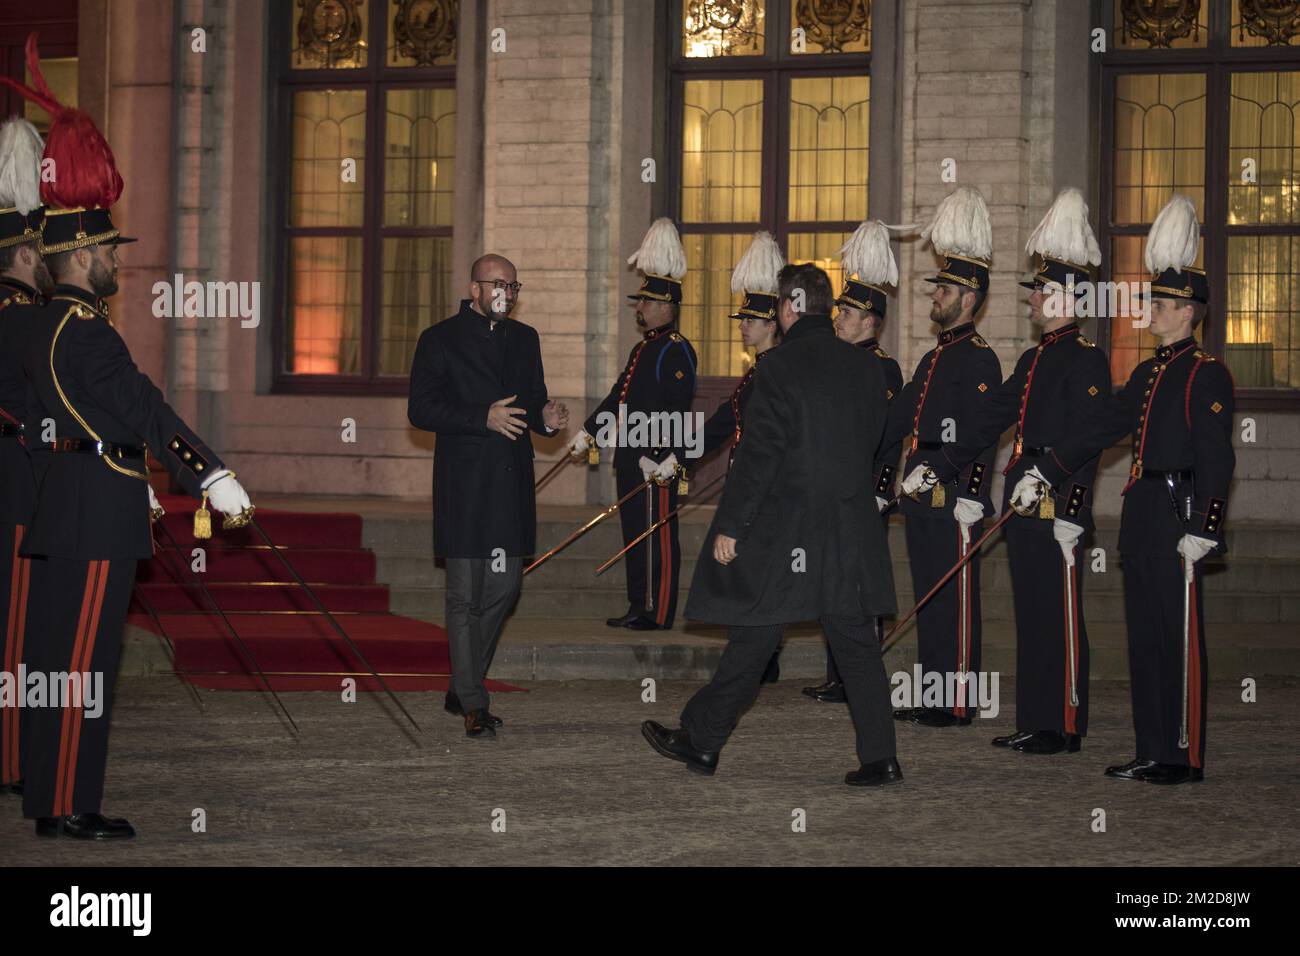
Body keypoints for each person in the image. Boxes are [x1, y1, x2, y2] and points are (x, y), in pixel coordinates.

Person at [4, 46, 253, 838]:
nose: (116, 260)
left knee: (53, 665)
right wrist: (210, 474)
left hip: (71, 501)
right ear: (80, 254)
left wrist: (116, 467)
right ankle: (70, 807)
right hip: (88, 518)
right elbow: (144, 408)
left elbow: (65, 421)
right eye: (110, 250)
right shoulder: (84, 331)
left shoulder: (40, 324)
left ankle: (49, 796)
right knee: (80, 664)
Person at [641, 263, 901, 787]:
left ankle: (702, 739)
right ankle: (881, 758)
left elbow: (760, 455)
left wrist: (732, 525)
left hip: (790, 529)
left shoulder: (776, 368)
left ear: (790, 308)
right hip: (849, 526)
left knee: (757, 632)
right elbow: (876, 440)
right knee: (855, 644)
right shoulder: (868, 370)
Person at [1015, 194, 1235, 785]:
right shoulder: (1147, 372)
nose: (1151, 311)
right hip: (1142, 513)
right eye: (1151, 302)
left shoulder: (1203, 372)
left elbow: (1218, 456)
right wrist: (1049, 470)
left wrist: (1206, 527)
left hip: (1178, 513)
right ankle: (1151, 748)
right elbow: (1104, 427)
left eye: (1161, 304)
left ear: (1190, 312)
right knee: (1145, 641)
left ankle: (1181, 754)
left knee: (1177, 638)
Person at [901, 188, 1111, 754]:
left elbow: (1090, 439)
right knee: (1032, 611)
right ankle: (1037, 719)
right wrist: (940, 467)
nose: (1033, 299)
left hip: (1054, 500)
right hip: (1023, 499)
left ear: (1067, 298)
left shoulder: (1087, 360)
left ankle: (1064, 724)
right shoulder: (1033, 359)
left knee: (1059, 612)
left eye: (1042, 291)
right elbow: (988, 418)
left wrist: (1071, 506)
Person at [408, 254, 567, 739]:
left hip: (509, 485)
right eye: (498, 284)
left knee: (503, 590)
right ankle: (474, 703)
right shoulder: (439, 339)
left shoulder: (526, 338)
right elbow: (422, 408)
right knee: (463, 596)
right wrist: (482, 417)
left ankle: (463, 682)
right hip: (464, 487)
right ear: (474, 288)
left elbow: (534, 398)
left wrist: (548, 417)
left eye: (513, 286)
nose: (507, 293)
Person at [884, 187, 1002, 727]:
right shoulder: (932, 359)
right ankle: (932, 694)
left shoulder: (980, 360)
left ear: (969, 298)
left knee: (955, 599)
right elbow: (899, 419)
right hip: (920, 489)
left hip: (954, 495)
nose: (936, 295)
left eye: (946, 289)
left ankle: (956, 701)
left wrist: (972, 493)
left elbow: (982, 433)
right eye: (937, 287)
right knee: (930, 596)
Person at [568, 218, 697, 631]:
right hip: (629, 457)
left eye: (644, 302)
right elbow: (617, 398)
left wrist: (664, 455)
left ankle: (657, 612)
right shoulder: (644, 349)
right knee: (634, 533)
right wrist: (591, 431)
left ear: (665, 306)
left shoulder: (675, 350)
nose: (639, 307)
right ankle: (638, 604)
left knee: (656, 535)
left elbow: (677, 410)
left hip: (654, 461)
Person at [806, 220, 904, 704]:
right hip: (831, 491)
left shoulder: (882, 367)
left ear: (871, 321)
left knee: (861, 587)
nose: (838, 318)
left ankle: (859, 675)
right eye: (839, 309)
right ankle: (838, 673)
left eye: (847, 312)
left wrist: (882, 485)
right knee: (833, 583)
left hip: (864, 492)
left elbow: (885, 435)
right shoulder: (837, 362)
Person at [697, 232, 783, 683]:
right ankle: (756, 659)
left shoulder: (779, 373)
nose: (742, 326)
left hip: (766, 493)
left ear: (772, 324)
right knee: (747, 576)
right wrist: (680, 455)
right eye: (742, 318)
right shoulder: (755, 374)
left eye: (750, 320)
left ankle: (758, 661)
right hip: (746, 487)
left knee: (757, 577)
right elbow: (721, 425)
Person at [0, 115, 49, 797]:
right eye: (37, 253)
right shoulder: (16, 318)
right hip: (16, 482)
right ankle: (11, 760)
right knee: (14, 628)